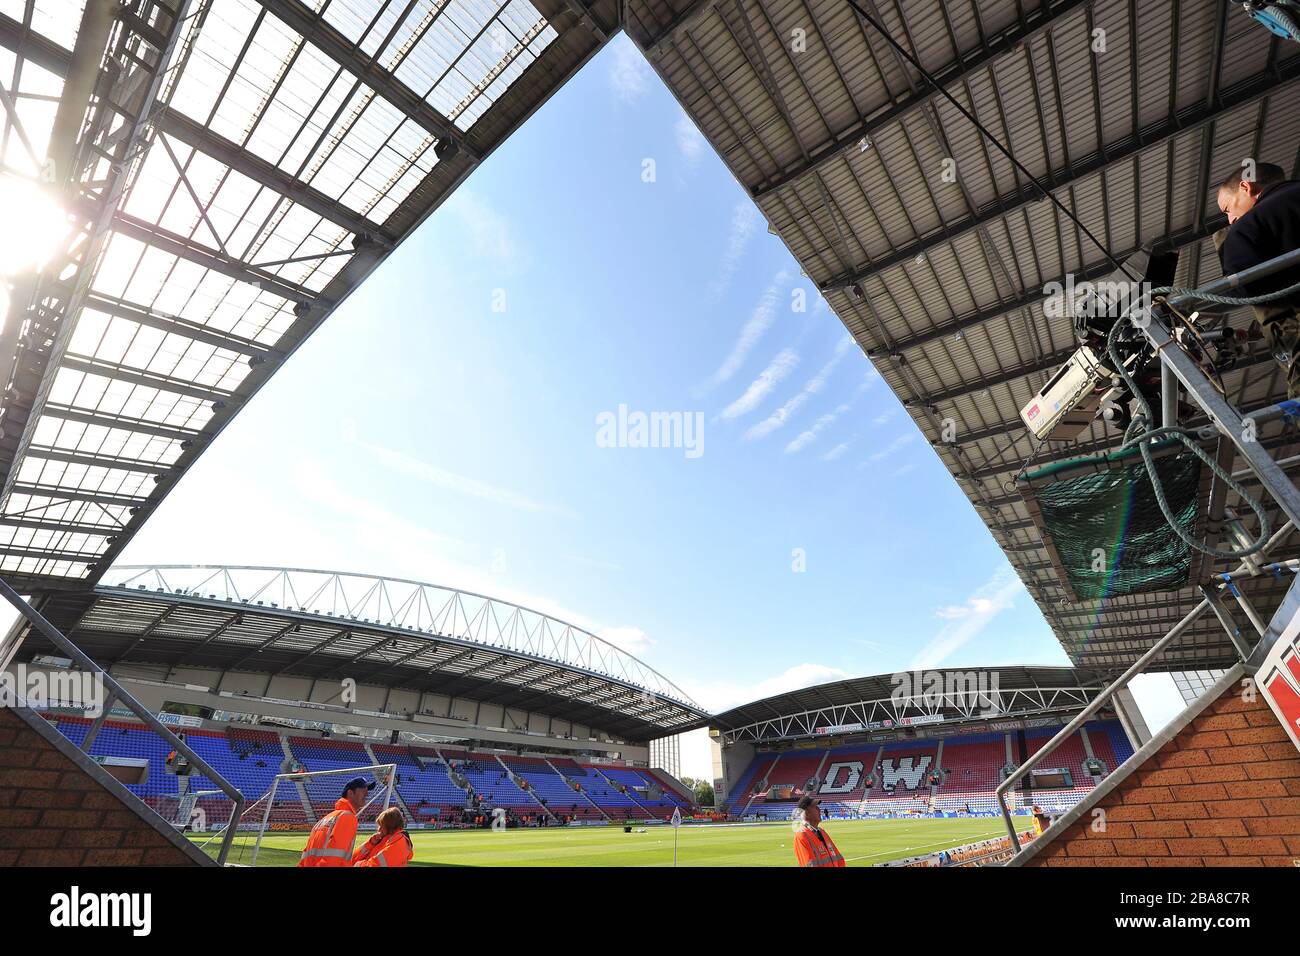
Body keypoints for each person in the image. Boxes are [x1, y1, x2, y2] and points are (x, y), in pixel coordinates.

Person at [1216, 161, 1300, 395]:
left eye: (1227, 209)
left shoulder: (1248, 225)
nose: (1230, 219)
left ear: (1246, 187)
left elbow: (1243, 287)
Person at [297, 776, 372, 867]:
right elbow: (334, 857)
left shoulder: (322, 821)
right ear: (350, 793)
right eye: (363, 791)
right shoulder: (347, 817)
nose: (367, 794)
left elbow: (305, 856)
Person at [791, 795, 845, 868]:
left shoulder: (822, 832)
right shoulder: (801, 836)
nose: (819, 810)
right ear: (807, 813)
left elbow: (839, 858)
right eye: (815, 807)